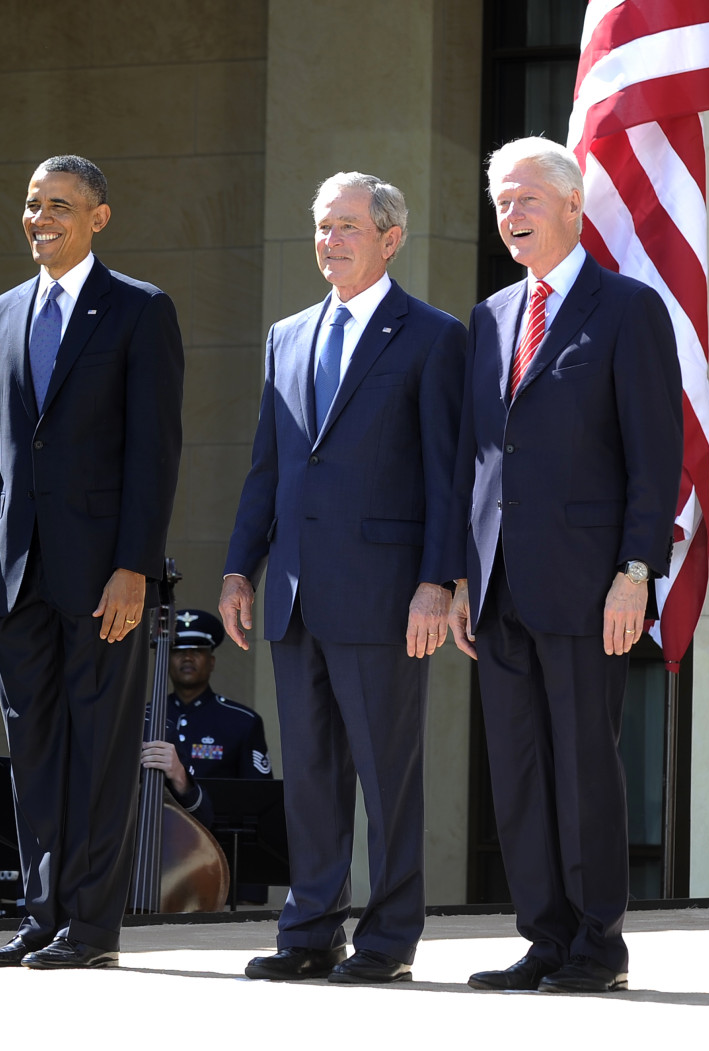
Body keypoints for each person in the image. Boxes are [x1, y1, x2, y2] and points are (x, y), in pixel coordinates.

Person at [447, 136, 683, 994]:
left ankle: (597, 943)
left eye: (526, 200)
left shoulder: (628, 310)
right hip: (500, 582)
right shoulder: (490, 317)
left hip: (590, 583)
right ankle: (543, 935)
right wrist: (460, 575)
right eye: (501, 202)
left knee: (584, 760)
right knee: (517, 768)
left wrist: (636, 569)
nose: (511, 216)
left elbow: (657, 457)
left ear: (573, 205)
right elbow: (473, 460)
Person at [222, 172, 465, 985]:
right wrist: (238, 566)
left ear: (390, 239)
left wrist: (439, 582)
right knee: (313, 776)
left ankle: (389, 939)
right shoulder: (286, 335)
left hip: (388, 599)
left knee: (387, 777)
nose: (330, 241)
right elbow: (269, 467)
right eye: (323, 226)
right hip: (294, 593)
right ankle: (309, 930)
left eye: (348, 227)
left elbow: (448, 476)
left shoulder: (431, 336)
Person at [0, 155, 184, 970]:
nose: (40, 217)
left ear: (99, 217)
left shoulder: (138, 312)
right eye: (30, 204)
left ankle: (91, 928)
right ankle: (42, 915)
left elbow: (155, 457)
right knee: (35, 751)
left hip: (103, 581)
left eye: (59, 204)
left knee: (100, 751)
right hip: (16, 576)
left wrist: (136, 565)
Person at [139, 608, 272, 827]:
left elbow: (258, 800)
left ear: (211, 662)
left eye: (197, 651)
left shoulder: (242, 722)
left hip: (221, 840)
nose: (188, 657)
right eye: (178, 651)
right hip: (154, 833)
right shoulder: (145, 718)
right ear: (165, 660)